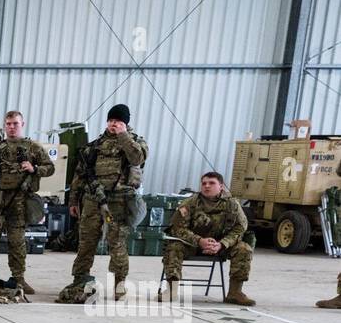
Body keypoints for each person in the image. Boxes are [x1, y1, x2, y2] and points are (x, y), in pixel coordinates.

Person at [67, 103, 147, 300]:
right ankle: (80, 280)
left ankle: (119, 284)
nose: (113, 124)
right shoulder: (94, 146)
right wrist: (73, 201)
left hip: (119, 202)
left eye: (118, 121)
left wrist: (124, 136)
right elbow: (79, 175)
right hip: (92, 200)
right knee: (86, 243)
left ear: (126, 124)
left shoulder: (135, 142)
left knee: (117, 244)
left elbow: (137, 159)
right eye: (111, 120)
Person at [0, 110, 53, 293]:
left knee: (17, 243)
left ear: (22, 124)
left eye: (15, 123)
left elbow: (50, 168)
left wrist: (34, 168)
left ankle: (19, 278)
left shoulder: (33, 148)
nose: (11, 127)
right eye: (8, 124)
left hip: (19, 203)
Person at [160, 171, 255, 306]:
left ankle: (235, 292)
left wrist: (222, 244)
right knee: (173, 247)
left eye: (211, 183)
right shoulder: (190, 203)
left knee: (244, 249)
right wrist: (200, 241)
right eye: (204, 183)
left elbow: (241, 227)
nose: (207, 186)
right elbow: (177, 229)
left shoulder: (232, 204)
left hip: (221, 246)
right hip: (192, 245)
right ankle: (171, 290)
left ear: (221, 186)